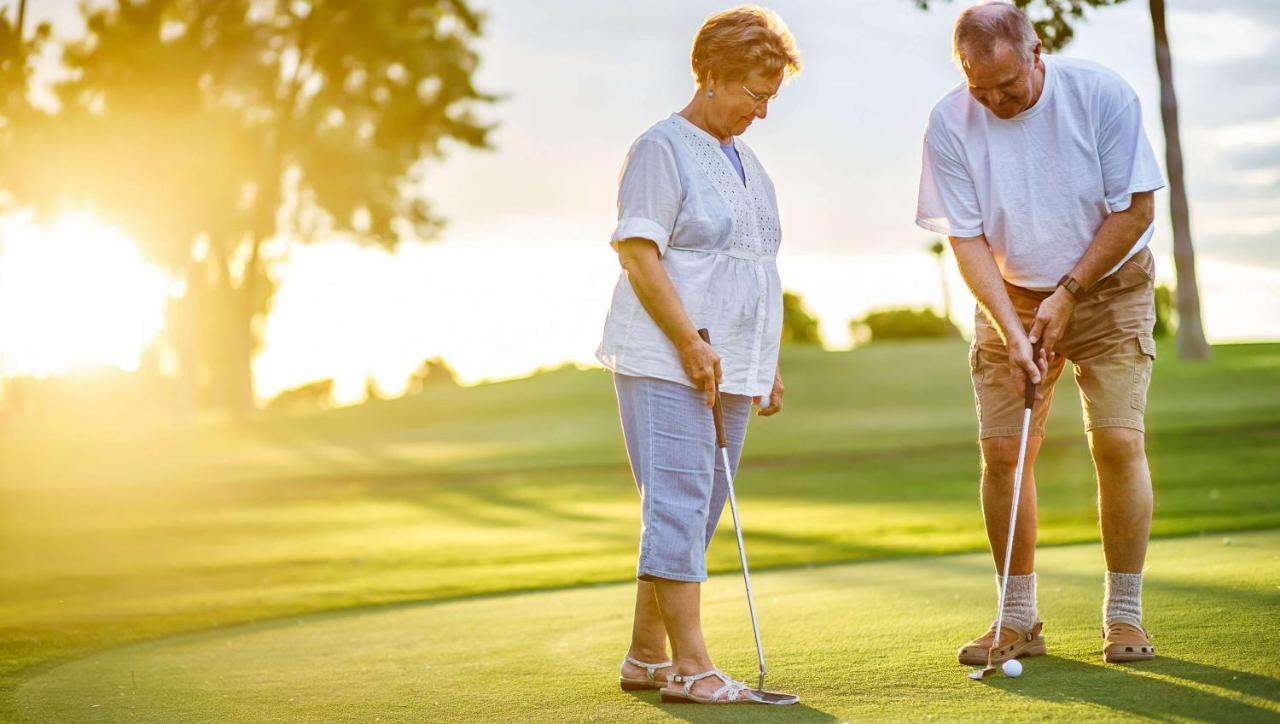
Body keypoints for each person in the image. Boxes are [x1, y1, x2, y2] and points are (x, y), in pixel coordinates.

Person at [916, 2, 1164, 666]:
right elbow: (966, 240)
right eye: (980, 89)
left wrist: (1070, 292)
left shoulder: (1101, 95)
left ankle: (1124, 616)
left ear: (1037, 53)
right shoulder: (948, 123)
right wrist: (1011, 326)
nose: (996, 101)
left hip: (1108, 285)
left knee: (1116, 439)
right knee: (1003, 454)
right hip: (1010, 291)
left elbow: (1137, 208)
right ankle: (1017, 619)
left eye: (1009, 86)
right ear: (962, 70)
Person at [595, 5, 799, 705]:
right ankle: (691, 667)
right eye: (753, 94)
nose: (762, 112)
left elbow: (750, 266)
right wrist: (688, 341)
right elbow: (637, 250)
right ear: (710, 75)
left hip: (729, 365)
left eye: (771, 98)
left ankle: (647, 656)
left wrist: (761, 359)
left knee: (699, 510)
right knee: (678, 508)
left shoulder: (750, 162)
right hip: (665, 358)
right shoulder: (662, 148)